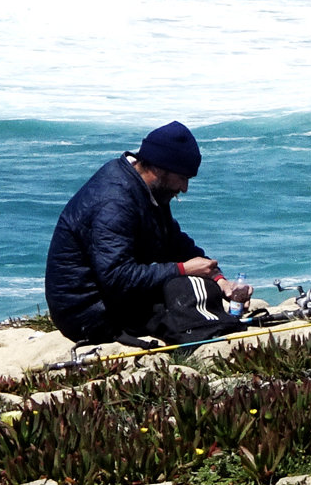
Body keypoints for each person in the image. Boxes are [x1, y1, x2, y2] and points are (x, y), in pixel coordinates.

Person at [44, 121, 251, 346]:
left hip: (113, 297)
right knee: (185, 289)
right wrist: (182, 269)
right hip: (88, 313)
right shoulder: (114, 202)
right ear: (159, 169)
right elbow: (116, 277)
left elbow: (174, 243)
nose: (184, 188)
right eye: (182, 178)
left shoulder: (145, 189)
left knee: (201, 285)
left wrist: (219, 280)